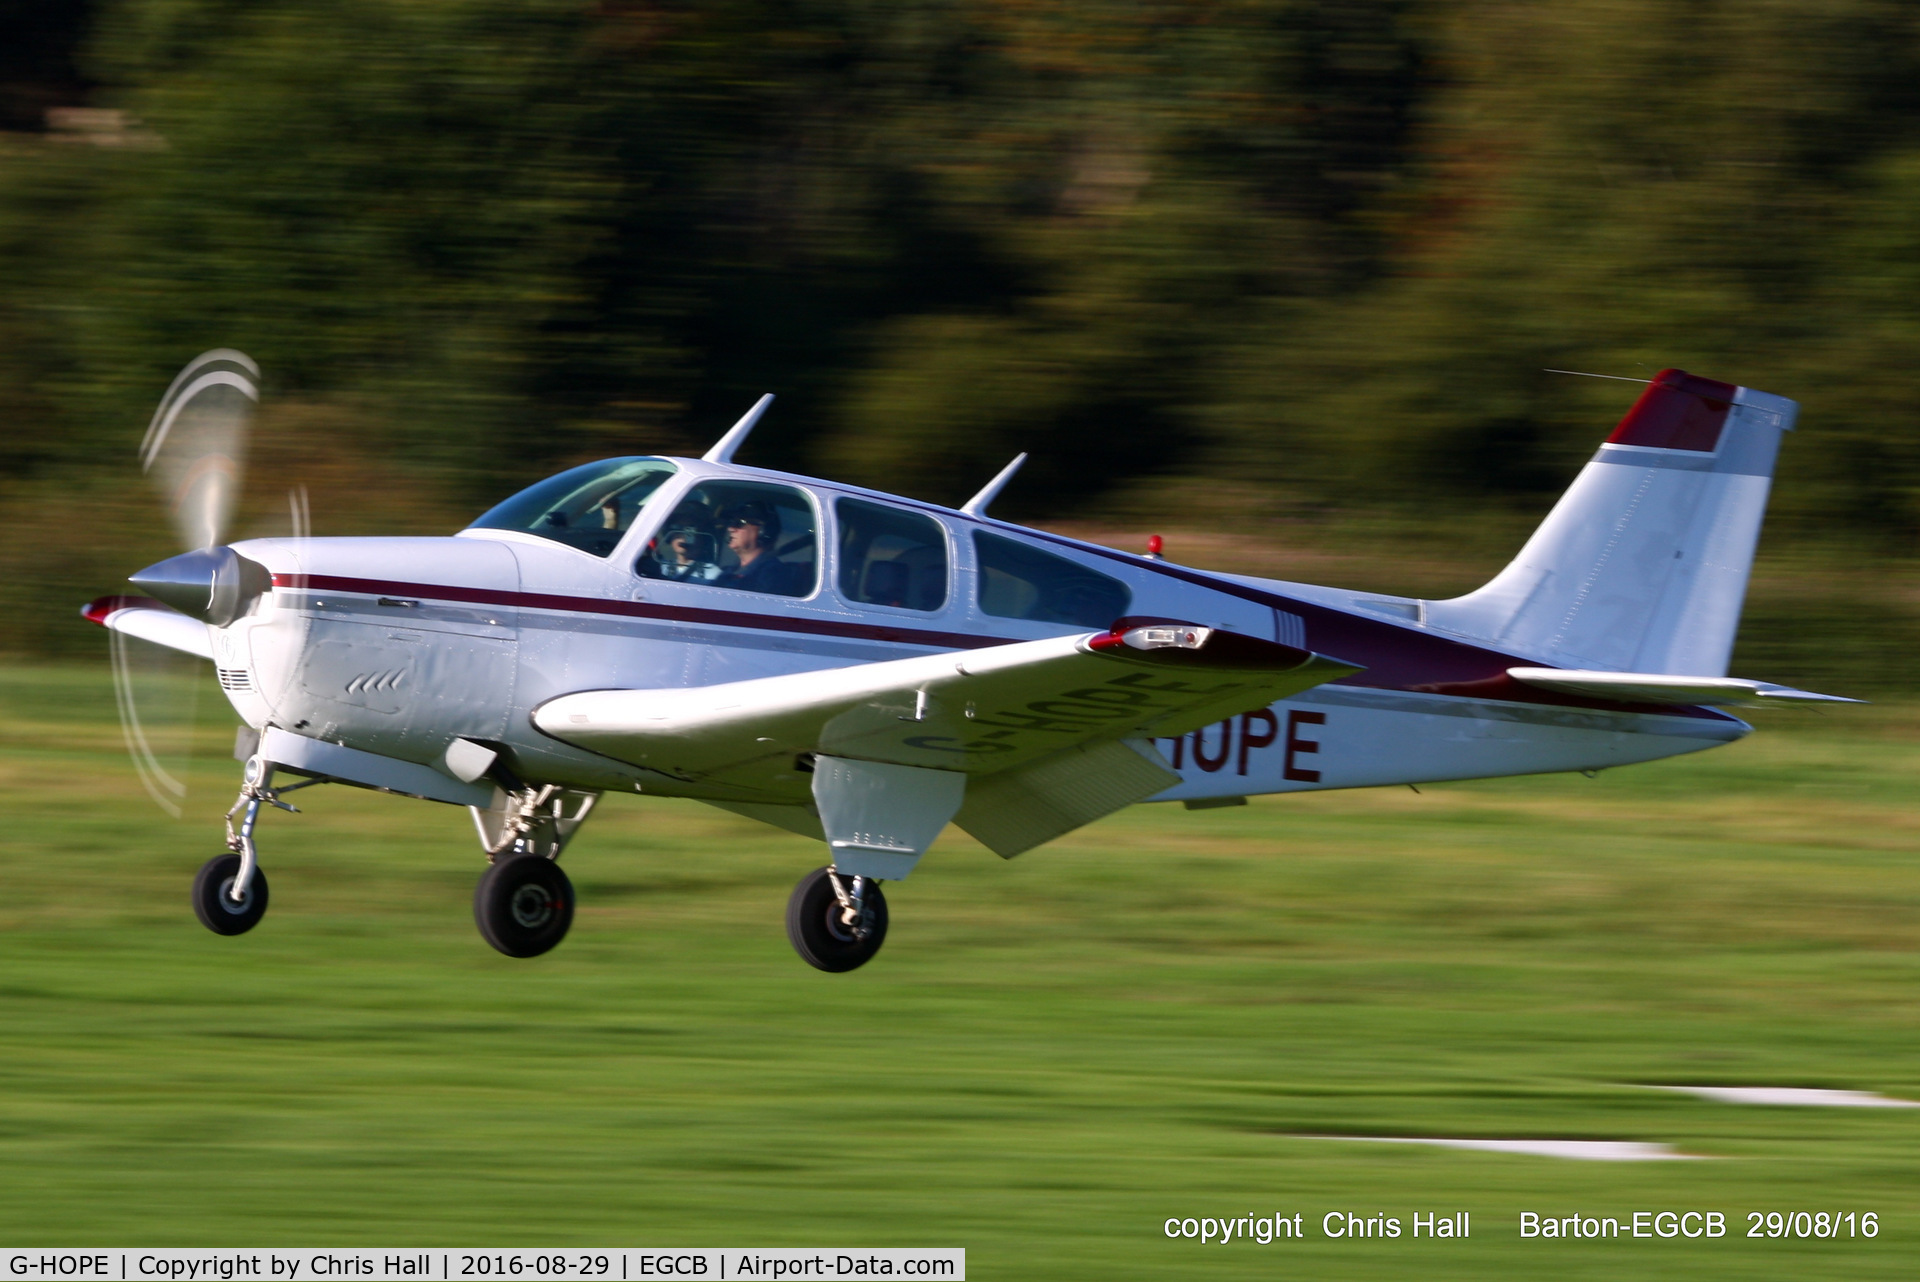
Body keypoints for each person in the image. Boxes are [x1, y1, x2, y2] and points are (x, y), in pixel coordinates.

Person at [716, 501, 804, 596]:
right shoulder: (730, 571)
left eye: (739, 523)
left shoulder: (774, 575)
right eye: (731, 523)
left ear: (764, 532)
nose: (731, 528)